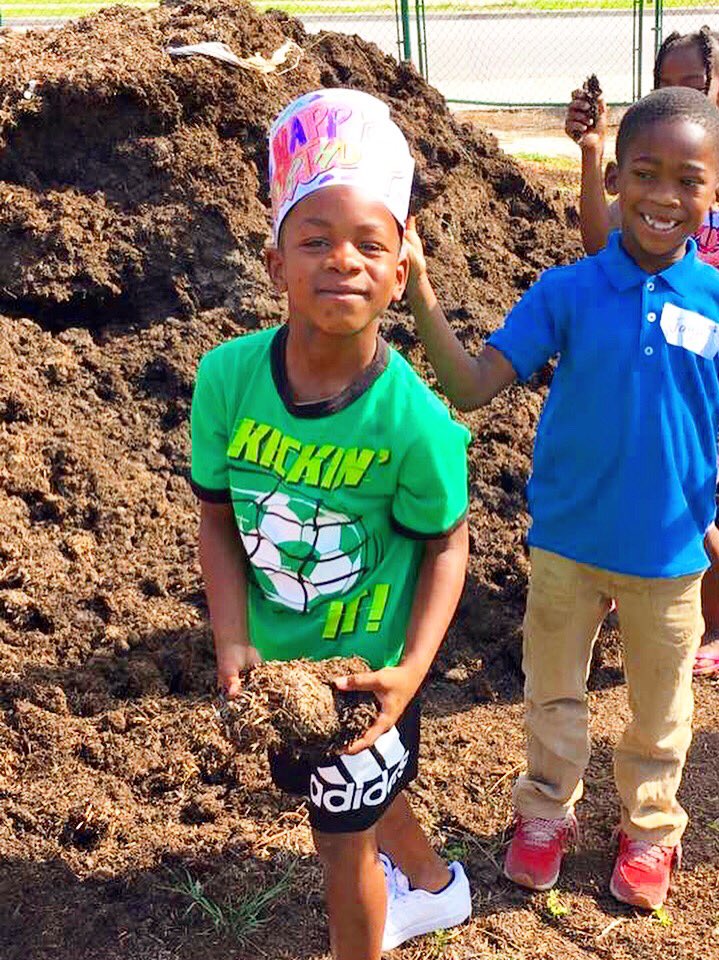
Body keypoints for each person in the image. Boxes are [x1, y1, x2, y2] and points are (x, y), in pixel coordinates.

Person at [404, 86, 719, 910]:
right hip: (564, 547)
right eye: (644, 173)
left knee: (660, 711)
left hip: (670, 555)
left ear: (718, 193)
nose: (664, 196)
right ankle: (544, 814)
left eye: (688, 180)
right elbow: (472, 384)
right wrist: (414, 287)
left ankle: (650, 828)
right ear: (616, 181)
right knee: (551, 693)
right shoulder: (568, 291)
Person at [190, 89, 472, 959]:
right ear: (275, 263)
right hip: (278, 667)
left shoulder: (416, 423)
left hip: (364, 679)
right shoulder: (226, 380)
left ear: (398, 273)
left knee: (338, 843)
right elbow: (217, 519)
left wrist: (410, 675)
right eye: (315, 240)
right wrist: (232, 637)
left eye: (369, 245)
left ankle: (368, 938)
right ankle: (433, 886)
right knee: (350, 797)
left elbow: (447, 548)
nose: (342, 261)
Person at [565, 26, 719, 675]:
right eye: (668, 84)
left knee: (685, 502)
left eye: (694, 85)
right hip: (646, 369)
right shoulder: (656, 185)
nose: (680, 96)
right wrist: (590, 154)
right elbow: (595, 243)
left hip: (715, 385)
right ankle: (629, 581)